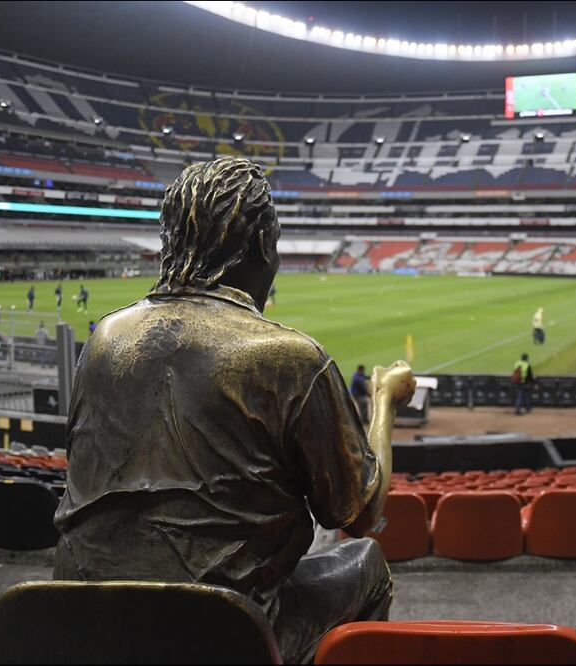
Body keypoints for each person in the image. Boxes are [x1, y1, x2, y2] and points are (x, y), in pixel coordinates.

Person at [52, 157, 415, 664]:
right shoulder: (289, 358)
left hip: (79, 619)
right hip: (219, 632)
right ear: (264, 244)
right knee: (368, 562)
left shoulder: (103, 339)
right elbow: (360, 513)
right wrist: (383, 401)